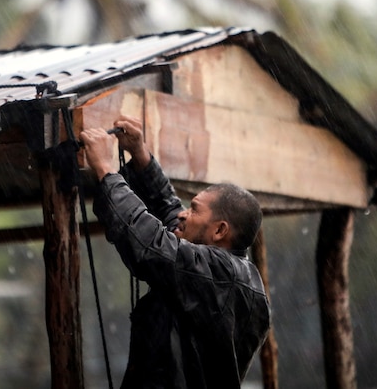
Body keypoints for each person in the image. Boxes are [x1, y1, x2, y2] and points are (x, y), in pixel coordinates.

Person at [81, 116, 271, 389]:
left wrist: (105, 169)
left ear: (219, 231)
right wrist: (140, 154)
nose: (183, 213)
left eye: (193, 209)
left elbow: (150, 245)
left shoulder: (221, 275)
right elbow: (170, 214)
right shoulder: (217, 271)